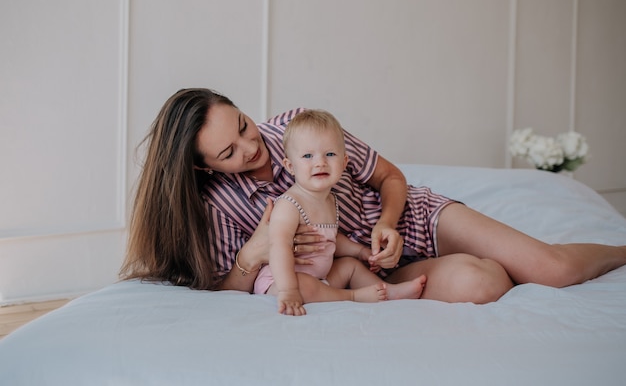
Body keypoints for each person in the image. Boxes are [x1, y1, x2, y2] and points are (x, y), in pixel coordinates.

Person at [120, 88, 626, 304]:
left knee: (552, 270)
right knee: (484, 284)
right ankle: (486, 261)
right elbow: (228, 291)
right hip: (367, 270)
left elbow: (391, 176)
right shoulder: (214, 208)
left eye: (245, 126)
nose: (251, 147)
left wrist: (389, 220)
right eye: (229, 152)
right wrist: (253, 255)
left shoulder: (297, 128)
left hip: (414, 221)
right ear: (200, 167)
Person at [256, 109, 426, 315]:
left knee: (349, 266)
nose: (320, 162)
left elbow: (331, 238)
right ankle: (353, 296)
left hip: (321, 278)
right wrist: (288, 290)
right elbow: (278, 246)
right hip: (280, 281)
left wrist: (360, 252)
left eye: (329, 154)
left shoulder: (330, 200)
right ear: (290, 166)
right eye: (308, 156)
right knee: (306, 286)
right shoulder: (289, 205)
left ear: (344, 163)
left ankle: (388, 291)